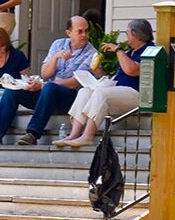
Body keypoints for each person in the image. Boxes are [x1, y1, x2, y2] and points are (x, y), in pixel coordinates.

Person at [0, 15, 98, 146]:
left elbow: (73, 83)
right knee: (13, 90)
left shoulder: (91, 53)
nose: (84, 35)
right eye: (80, 31)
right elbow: (45, 73)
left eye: (86, 31)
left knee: (50, 87)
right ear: (69, 33)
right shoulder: (58, 44)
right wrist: (55, 58)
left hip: (71, 99)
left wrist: (42, 85)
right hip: (47, 95)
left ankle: (33, 133)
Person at [54, 18, 153, 148]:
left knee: (101, 93)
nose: (126, 36)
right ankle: (74, 134)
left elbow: (132, 70)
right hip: (120, 91)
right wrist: (99, 72)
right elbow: (116, 77)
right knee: (85, 91)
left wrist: (118, 50)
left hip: (137, 95)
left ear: (135, 34)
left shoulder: (149, 50)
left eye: (127, 33)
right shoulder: (130, 52)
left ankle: (87, 136)